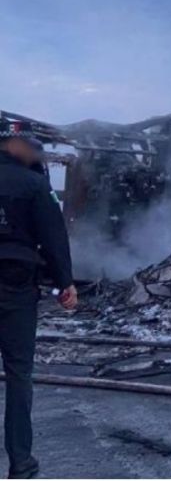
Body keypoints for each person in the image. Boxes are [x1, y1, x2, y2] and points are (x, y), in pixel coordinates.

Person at [0, 114, 77, 478]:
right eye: (28, 144)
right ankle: (21, 463)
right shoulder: (33, 185)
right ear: (12, 145)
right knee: (18, 374)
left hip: (15, 283)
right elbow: (53, 236)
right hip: (15, 287)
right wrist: (65, 284)